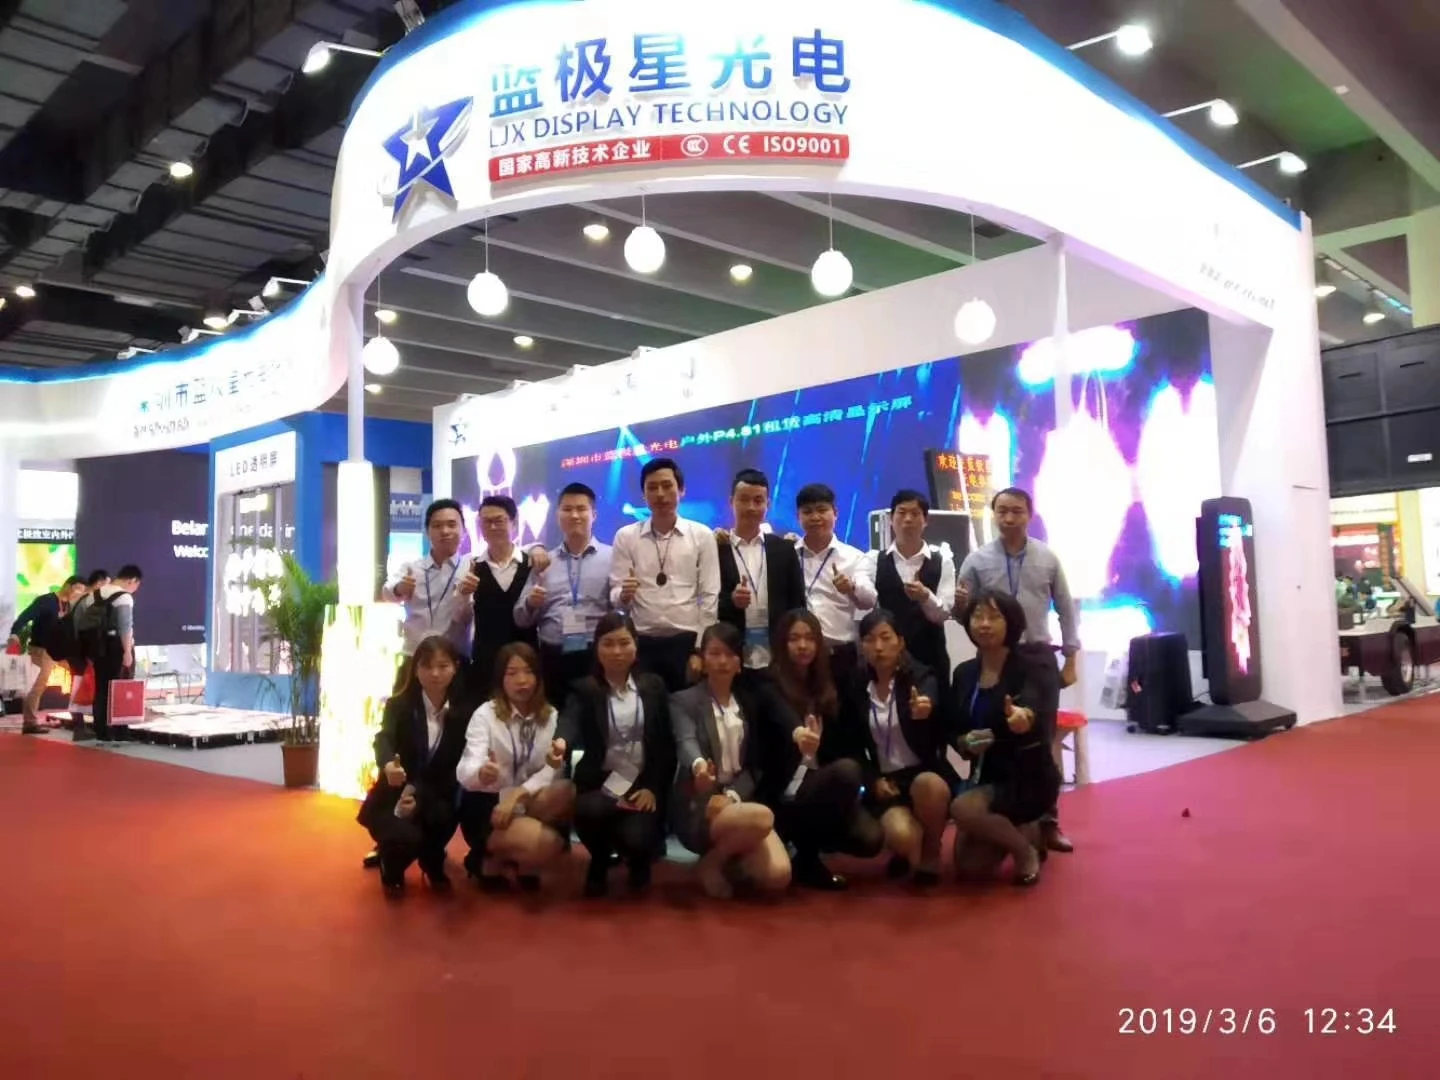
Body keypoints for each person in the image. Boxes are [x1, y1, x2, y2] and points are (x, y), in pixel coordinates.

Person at [954, 487, 1078, 854]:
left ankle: (1048, 822)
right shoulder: (976, 560)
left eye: (1017, 511)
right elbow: (964, 613)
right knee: (995, 735)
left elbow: (1066, 608)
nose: (1009, 518)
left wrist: (1071, 657)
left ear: (1029, 515)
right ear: (993, 515)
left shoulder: (1047, 558)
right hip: (995, 657)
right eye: (1002, 511)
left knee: (1042, 738)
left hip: (1037, 656)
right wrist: (958, 607)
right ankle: (1005, 814)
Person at [762, 608, 883, 890]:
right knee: (846, 772)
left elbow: (850, 745)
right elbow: (780, 714)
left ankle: (805, 851)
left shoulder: (830, 686)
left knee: (871, 838)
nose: (802, 645)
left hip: (820, 784)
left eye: (809, 638)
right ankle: (805, 855)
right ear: (782, 643)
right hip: (782, 792)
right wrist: (798, 733)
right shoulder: (768, 683)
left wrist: (871, 782)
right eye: (794, 639)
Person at [669, 622, 791, 899]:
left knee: (778, 876)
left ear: (739, 662)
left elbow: (753, 767)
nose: (722, 661)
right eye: (714, 653)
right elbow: (686, 741)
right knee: (763, 816)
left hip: (738, 801)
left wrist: (732, 796)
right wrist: (700, 768)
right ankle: (716, 862)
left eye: (729, 654)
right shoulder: (683, 701)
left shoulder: (749, 702)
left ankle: (717, 860)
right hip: (700, 803)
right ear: (702, 660)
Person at [949, 589, 1061, 887]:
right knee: (970, 868)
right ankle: (1022, 829)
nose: (984, 624)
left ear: (1011, 623)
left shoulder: (1032, 666)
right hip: (986, 775)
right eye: (977, 616)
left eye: (994, 617)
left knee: (961, 808)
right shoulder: (964, 673)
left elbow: (1037, 708)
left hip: (1027, 777)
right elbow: (953, 725)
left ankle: (1025, 852)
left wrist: (1025, 718)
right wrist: (963, 742)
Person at [558, 613, 674, 897]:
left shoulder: (654, 687)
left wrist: (653, 787)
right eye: (608, 643)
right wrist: (560, 742)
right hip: (600, 783)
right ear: (596, 647)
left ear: (636, 645)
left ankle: (637, 860)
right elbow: (569, 721)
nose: (617, 651)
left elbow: (664, 745)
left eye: (624, 643)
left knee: (638, 838)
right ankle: (599, 858)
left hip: (641, 783)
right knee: (588, 810)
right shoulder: (585, 690)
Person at [843, 609, 952, 885]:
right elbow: (851, 745)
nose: (878, 647)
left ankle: (931, 850)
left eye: (885, 637)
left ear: (900, 642)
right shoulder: (857, 685)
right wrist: (872, 779)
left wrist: (928, 710)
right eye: (869, 640)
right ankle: (908, 849)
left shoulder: (921, 677)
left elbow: (935, 706)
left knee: (930, 785)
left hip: (923, 772)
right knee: (901, 835)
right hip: (887, 780)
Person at [356, 635, 471, 897]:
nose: (435, 673)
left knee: (443, 815)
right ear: (415, 669)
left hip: (435, 794)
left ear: (455, 667)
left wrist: (421, 797)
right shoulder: (400, 705)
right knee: (405, 837)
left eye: (443, 666)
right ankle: (391, 864)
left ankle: (432, 859)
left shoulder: (463, 713)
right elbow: (383, 738)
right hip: (395, 794)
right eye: (427, 666)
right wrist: (388, 766)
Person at [455, 643, 575, 891]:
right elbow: (466, 768)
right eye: (512, 673)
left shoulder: (550, 715)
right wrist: (481, 773)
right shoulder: (485, 715)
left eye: (528, 672)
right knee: (549, 843)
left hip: (522, 799)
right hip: (487, 804)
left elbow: (553, 769)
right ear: (501, 679)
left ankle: (521, 861)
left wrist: (519, 794)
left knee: (565, 790)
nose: (522, 680)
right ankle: (488, 858)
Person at [610, 457, 720, 692]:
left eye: (667, 486)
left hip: (686, 642)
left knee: (685, 709)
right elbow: (615, 596)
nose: (660, 494)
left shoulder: (702, 535)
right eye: (652, 487)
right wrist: (623, 595)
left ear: (681, 490)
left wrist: (700, 650)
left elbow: (710, 595)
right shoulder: (626, 536)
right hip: (642, 643)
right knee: (646, 711)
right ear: (643, 495)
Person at [515, 482, 612, 711]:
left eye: (581, 509)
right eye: (567, 509)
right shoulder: (543, 562)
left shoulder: (612, 557)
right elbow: (520, 618)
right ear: (558, 516)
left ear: (594, 515)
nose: (574, 515)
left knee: (595, 720)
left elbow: (622, 609)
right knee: (554, 721)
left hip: (595, 656)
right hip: (553, 657)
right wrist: (531, 603)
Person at [859, 490, 955, 684]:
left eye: (915, 514)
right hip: (886, 657)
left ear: (926, 520)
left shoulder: (942, 561)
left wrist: (925, 596)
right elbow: (865, 597)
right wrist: (852, 587)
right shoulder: (874, 559)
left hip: (930, 657)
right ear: (891, 519)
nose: (908, 519)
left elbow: (943, 614)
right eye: (901, 513)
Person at [716, 468, 805, 674]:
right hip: (730, 656)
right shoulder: (717, 550)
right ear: (731, 502)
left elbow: (797, 603)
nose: (751, 507)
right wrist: (731, 601)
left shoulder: (784, 549)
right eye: (744, 500)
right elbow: (705, 604)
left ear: (768, 504)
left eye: (758, 501)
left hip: (778, 657)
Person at [381, 499, 475, 686]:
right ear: (427, 532)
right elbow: (387, 592)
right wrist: (401, 589)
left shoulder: (472, 568)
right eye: (437, 526)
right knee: (405, 705)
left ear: (464, 531)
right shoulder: (412, 568)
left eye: (452, 524)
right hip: (414, 658)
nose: (445, 531)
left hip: (455, 659)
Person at [793, 482, 876, 691]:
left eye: (822, 510)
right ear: (798, 516)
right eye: (807, 512)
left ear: (835, 513)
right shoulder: (789, 555)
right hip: (798, 657)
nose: (815, 517)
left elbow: (870, 601)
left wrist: (851, 588)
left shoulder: (854, 557)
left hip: (840, 656)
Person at [466, 495, 543, 701]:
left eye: (499, 521)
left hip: (526, 663)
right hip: (485, 663)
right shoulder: (471, 567)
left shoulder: (532, 564)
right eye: (486, 522)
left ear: (514, 523)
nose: (492, 527)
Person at [6, 575, 86, 733]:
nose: (78, 593)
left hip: (61, 650)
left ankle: (78, 718)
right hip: (42, 649)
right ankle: (30, 723)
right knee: (37, 686)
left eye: (82, 591)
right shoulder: (46, 601)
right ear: (68, 586)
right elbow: (25, 616)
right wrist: (15, 633)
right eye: (77, 588)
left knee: (78, 678)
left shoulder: (71, 605)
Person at [73, 564, 142, 745]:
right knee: (120, 687)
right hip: (116, 646)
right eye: (136, 585)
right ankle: (120, 730)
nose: (135, 590)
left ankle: (102, 731)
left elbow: (78, 621)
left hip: (97, 647)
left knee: (101, 688)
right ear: (132, 580)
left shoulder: (93, 595)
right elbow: (125, 626)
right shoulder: (124, 597)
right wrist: (127, 652)